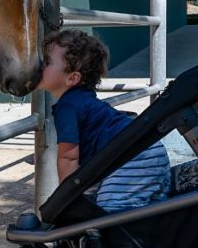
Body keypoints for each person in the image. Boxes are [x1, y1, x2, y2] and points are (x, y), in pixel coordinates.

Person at [37, 29, 169, 212]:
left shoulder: (68, 107)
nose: (39, 66)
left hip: (133, 159)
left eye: (47, 62)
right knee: (144, 213)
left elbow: (68, 156)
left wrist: (65, 201)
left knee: (111, 211)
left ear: (72, 78)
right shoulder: (83, 99)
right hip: (149, 150)